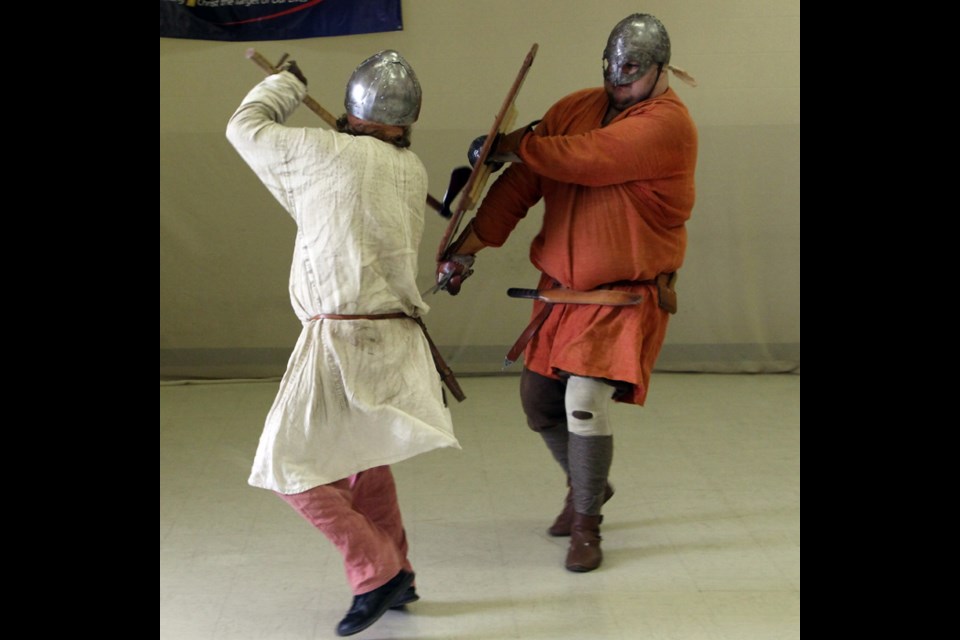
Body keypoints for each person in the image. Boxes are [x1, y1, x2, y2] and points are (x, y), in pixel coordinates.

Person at [437, 13, 697, 573]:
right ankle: (590, 486)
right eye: (612, 71)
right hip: (561, 293)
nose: (618, 83)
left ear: (660, 71)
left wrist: (514, 144)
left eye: (631, 73)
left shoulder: (667, 125)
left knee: (583, 401)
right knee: (538, 404)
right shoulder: (573, 109)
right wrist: (466, 249)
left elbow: (589, 157)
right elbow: (520, 188)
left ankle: (586, 525)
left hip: (624, 297)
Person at [226, 50, 461, 636]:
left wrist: (285, 84)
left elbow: (244, 128)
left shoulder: (319, 152)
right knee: (362, 462)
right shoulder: (412, 171)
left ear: (353, 111)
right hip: (393, 339)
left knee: (285, 465)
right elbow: (327, 201)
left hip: (340, 340)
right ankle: (401, 572)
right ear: (407, 121)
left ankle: (376, 571)